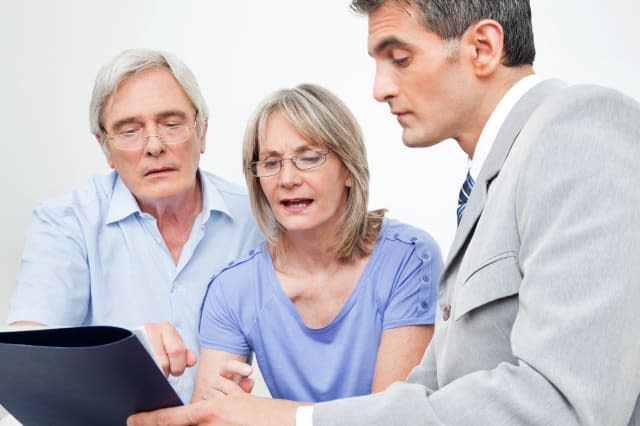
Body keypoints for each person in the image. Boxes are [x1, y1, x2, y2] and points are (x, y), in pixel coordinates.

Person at [128, 0, 640, 424]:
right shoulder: (488, 187)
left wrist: (291, 419)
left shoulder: (579, 127)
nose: (379, 89)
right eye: (272, 162)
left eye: (399, 58)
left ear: (482, 48)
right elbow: (428, 393)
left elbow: (568, 405)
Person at [6, 48, 262, 402]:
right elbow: (24, 358)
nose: (154, 146)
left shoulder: (257, 217)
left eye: (172, 124)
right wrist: (124, 352)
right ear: (105, 148)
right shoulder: (66, 222)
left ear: (202, 133)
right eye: (129, 131)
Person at [191, 83, 442, 403]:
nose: (287, 179)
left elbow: (392, 417)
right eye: (271, 163)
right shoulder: (232, 288)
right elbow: (208, 414)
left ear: (350, 170)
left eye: (308, 158)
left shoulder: (409, 259)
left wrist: (260, 417)